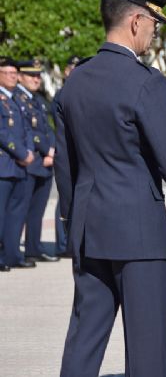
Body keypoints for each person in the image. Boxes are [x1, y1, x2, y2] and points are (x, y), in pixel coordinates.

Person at [55, 0, 166, 377]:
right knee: (148, 348)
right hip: (139, 232)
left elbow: (66, 165)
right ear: (136, 22)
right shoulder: (146, 81)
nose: (155, 35)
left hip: (90, 229)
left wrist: (73, 221)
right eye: (154, 26)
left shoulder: (75, 81)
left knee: (84, 339)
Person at [14, 59, 58, 263]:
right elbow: (28, 131)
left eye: (38, 75)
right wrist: (46, 150)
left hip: (45, 162)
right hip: (30, 162)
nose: (36, 79)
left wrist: (54, 150)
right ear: (20, 76)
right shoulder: (17, 98)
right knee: (19, 211)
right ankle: (11, 251)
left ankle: (34, 247)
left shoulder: (37, 100)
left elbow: (47, 128)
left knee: (37, 211)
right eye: (31, 75)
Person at [0, 56, 36, 270]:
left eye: (15, 73)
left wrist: (30, 151)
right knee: (1, 214)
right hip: (5, 164)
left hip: (20, 165)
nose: (13, 76)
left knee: (16, 214)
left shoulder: (16, 100)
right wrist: (23, 153)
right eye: (8, 73)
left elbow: (28, 130)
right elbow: (2, 133)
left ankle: (13, 254)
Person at [53, 55, 81, 258]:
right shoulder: (62, 95)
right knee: (65, 199)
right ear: (65, 71)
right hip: (68, 153)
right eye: (72, 67)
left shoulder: (81, 92)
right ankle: (64, 241)